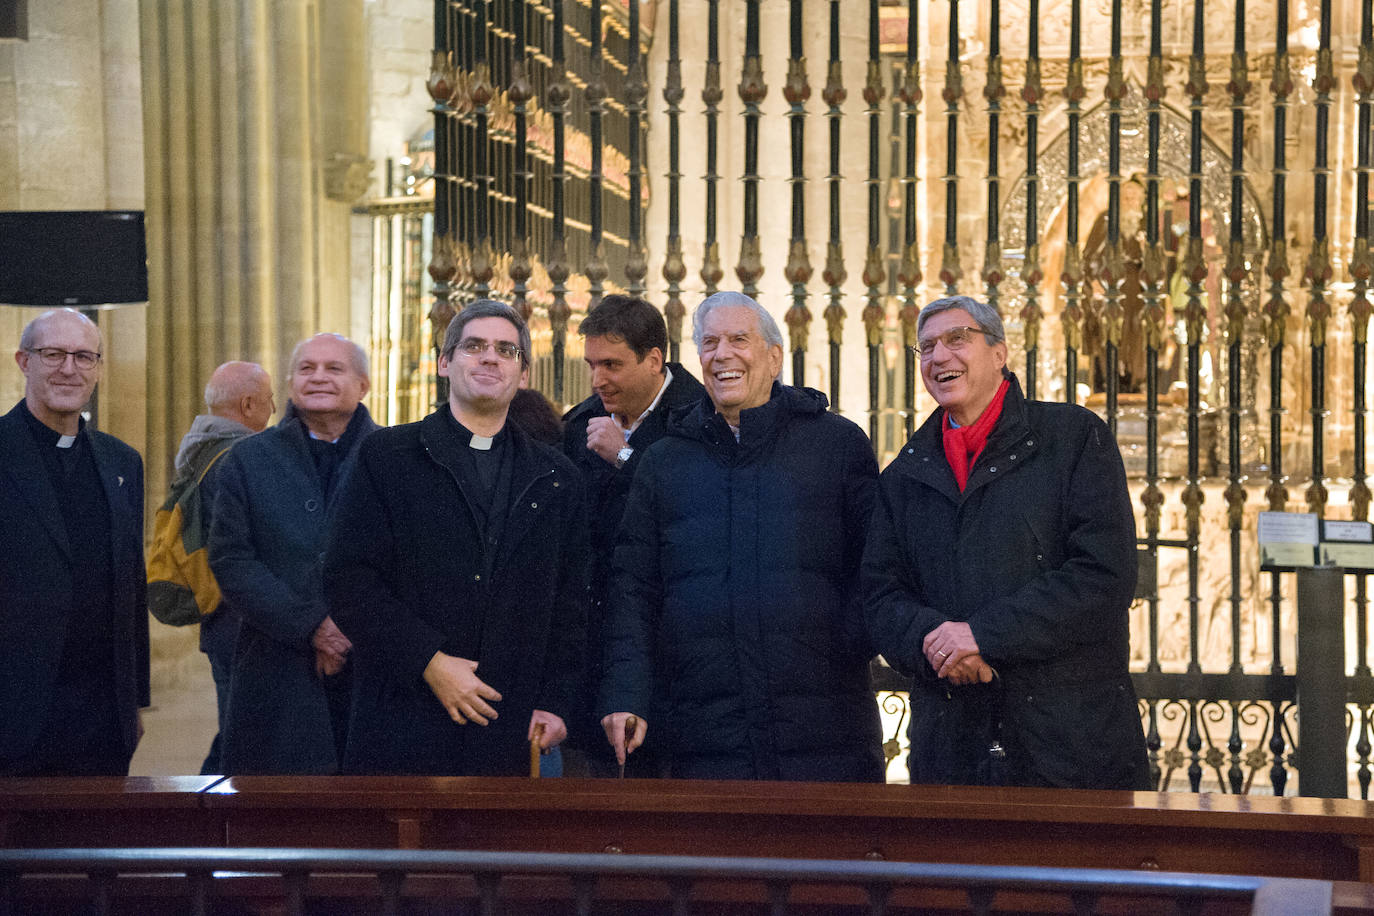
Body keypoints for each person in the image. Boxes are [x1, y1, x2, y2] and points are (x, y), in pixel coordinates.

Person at [862, 295, 1151, 789]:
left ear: (1000, 353)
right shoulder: (905, 474)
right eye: (926, 347)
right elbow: (880, 596)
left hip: (1069, 744)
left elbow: (1105, 575)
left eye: (958, 338)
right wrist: (938, 645)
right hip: (953, 749)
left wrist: (983, 636)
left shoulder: (1073, 438)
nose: (939, 356)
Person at [599, 291, 883, 782]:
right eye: (709, 343)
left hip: (824, 725)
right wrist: (626, 691)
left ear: (774, 358)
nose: (721, 354)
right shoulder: (665, 462)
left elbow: (878, 567)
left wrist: (840, 643)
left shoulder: (837, 445)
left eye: (738, 339)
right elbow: (633, 589)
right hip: (702, 729)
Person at [324, 300, 587, 776]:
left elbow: (572, 602)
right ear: (445, 363)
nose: (490, 358)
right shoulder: (386, 457)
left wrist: (556, 702)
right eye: (474, 347)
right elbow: (348, 579)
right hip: (403, 714)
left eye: (506, 350)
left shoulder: (556, 477)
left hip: (509, 721)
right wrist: (429, 660)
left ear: (523, 373)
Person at [208, 333, 377, 774]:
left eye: (334, 368)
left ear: (363, 385)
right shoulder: (248, 459)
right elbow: (232, 559)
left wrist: (349, 627)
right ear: (289, 384)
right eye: (306, 368)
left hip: (374, 670)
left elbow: (412, 560)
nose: (318, 377)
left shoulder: (393, 456)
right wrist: (312, 626)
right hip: (274, 665)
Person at [561, 293, 705, 777]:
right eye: (591, 364)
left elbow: (697, 510)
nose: (598, 379)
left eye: (612, 365)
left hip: (679, 657)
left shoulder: (702, 417)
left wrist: (624, 458)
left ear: (654, 360)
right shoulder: (580, 424)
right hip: (600, 653)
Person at [0, 308, 148, 776]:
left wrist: (135, 703)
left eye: (85, 356)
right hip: (15, 711)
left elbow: (131, 585)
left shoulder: (122, 461)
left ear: (99, 368)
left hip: (103, 716)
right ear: (24, 362)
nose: (70, 369)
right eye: (54, 354)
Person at [163, 361, 274, 774]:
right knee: (242, 742)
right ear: (248, 404)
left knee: (235, 733)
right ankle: (205, 826)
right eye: (268, 401)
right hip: (241, 623)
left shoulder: (200, 447)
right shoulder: (239, 458)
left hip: (221, 622)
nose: (274, 409)